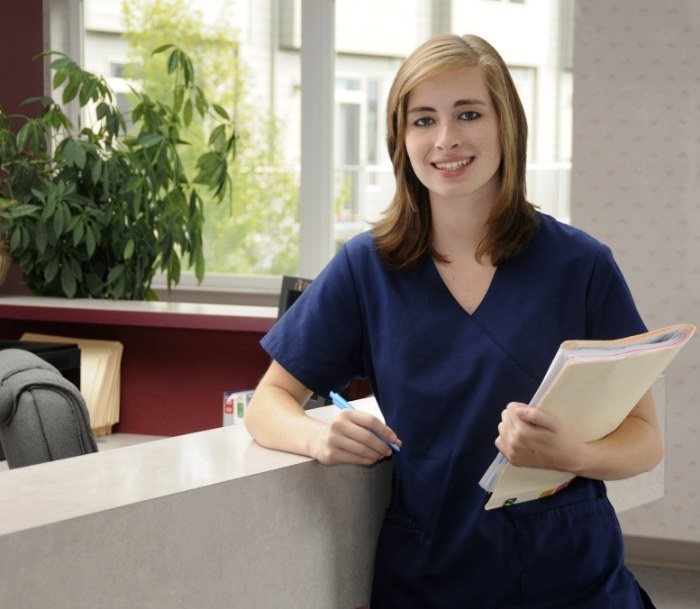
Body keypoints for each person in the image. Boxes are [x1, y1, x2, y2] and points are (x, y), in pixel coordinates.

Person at [244, 33, 663, 609]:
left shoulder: (581, 265)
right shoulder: (368, 268)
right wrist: (318, 436)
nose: (446, 139)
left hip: (572, 578)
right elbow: (267, 404)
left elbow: (645, 439)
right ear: (401, 137)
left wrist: (575, 454)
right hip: (431, 576)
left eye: (468, 113)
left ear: (505, 126)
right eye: (423, 120)